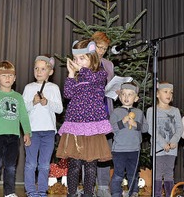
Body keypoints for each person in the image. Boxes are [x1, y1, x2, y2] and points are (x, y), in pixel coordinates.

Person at [56, 39, 112, 196]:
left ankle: (88, 194)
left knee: (90, 165)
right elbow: (67, 94)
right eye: (76, 59)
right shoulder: (77, 76)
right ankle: (71, 193)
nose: (77, 62)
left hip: (92, 126)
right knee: (74, 164)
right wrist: (71, 74)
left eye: (82, 58)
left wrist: (81, 69)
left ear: (92, 57)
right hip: (75, 125)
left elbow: (94, 80)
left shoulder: (100, 74)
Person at [0, 61, 32, 197]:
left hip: (14, 137)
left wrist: (27, 132)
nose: (7, 78)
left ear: (14, 78)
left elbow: (24, 117)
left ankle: (10, 192)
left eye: (10, 75)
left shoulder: (18, 97)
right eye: (4, 75)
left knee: (10, 166)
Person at [22, 55, 63, 197]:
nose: (39, 71)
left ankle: (42, 190)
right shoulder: (29, 88)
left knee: (44, 164)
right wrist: (33, 102)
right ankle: (31, 190)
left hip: (49, 131)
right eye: (36, 68)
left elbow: (59, 109)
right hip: (32, 131)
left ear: (50, 72)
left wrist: (47, 103)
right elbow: (22, 111)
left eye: (43, 69)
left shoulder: (54, 88)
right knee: (31, 164)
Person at [109, 82, 148, 197]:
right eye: (124, 94)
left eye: (130, 94)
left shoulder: (139, 112)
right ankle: (116, 192)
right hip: (119, 150)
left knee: (133, 173)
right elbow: (111, 129)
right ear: (120, 97)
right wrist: (123, 121)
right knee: (118, 174)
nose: (126, 97)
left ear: (136, 98)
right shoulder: (116, 112)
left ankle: (133, 192)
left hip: (134, 149)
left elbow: (145, 128)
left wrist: (136, 124)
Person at [147, 81, 182, 197]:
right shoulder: (151, 111)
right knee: (157, 174)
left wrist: (173, 141)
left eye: (171, 92)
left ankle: (169, 194)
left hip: (171, 150)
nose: (169, 95)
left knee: (169, 173)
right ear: (157, 94)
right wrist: (163, 143)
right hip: (158, 150)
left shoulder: (175, 111)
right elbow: (151, 129)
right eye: (165, 92)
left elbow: (179, 128)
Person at [92, 31, 115, 197]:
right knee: (88, 150)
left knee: (105, 150)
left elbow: (111, 85)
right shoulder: (84, 61)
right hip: (89, 112)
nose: (101, 51)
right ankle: (88, 185)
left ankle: (103, 186)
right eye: (99, 47)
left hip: (105, 110)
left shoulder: (109, 64)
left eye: (104, 49)